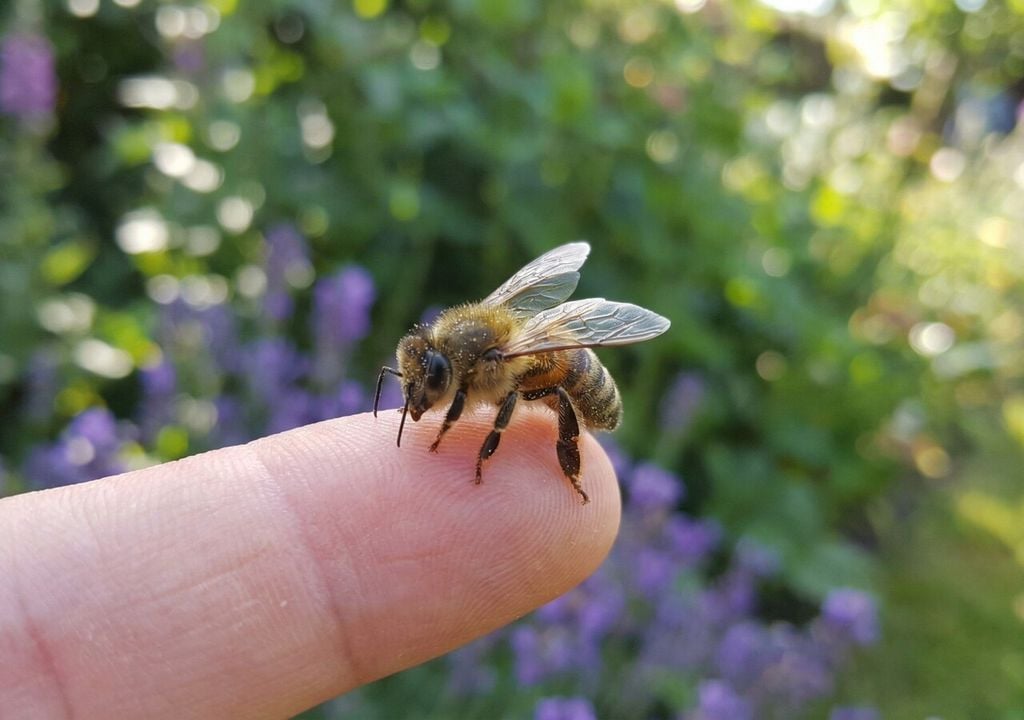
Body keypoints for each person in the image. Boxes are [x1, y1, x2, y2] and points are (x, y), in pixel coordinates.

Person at [0, 407, 619, 718]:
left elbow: (512, 398)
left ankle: (569, 466)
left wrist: (479, 455)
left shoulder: (496, 365)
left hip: (560, 389)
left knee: (550, 399)